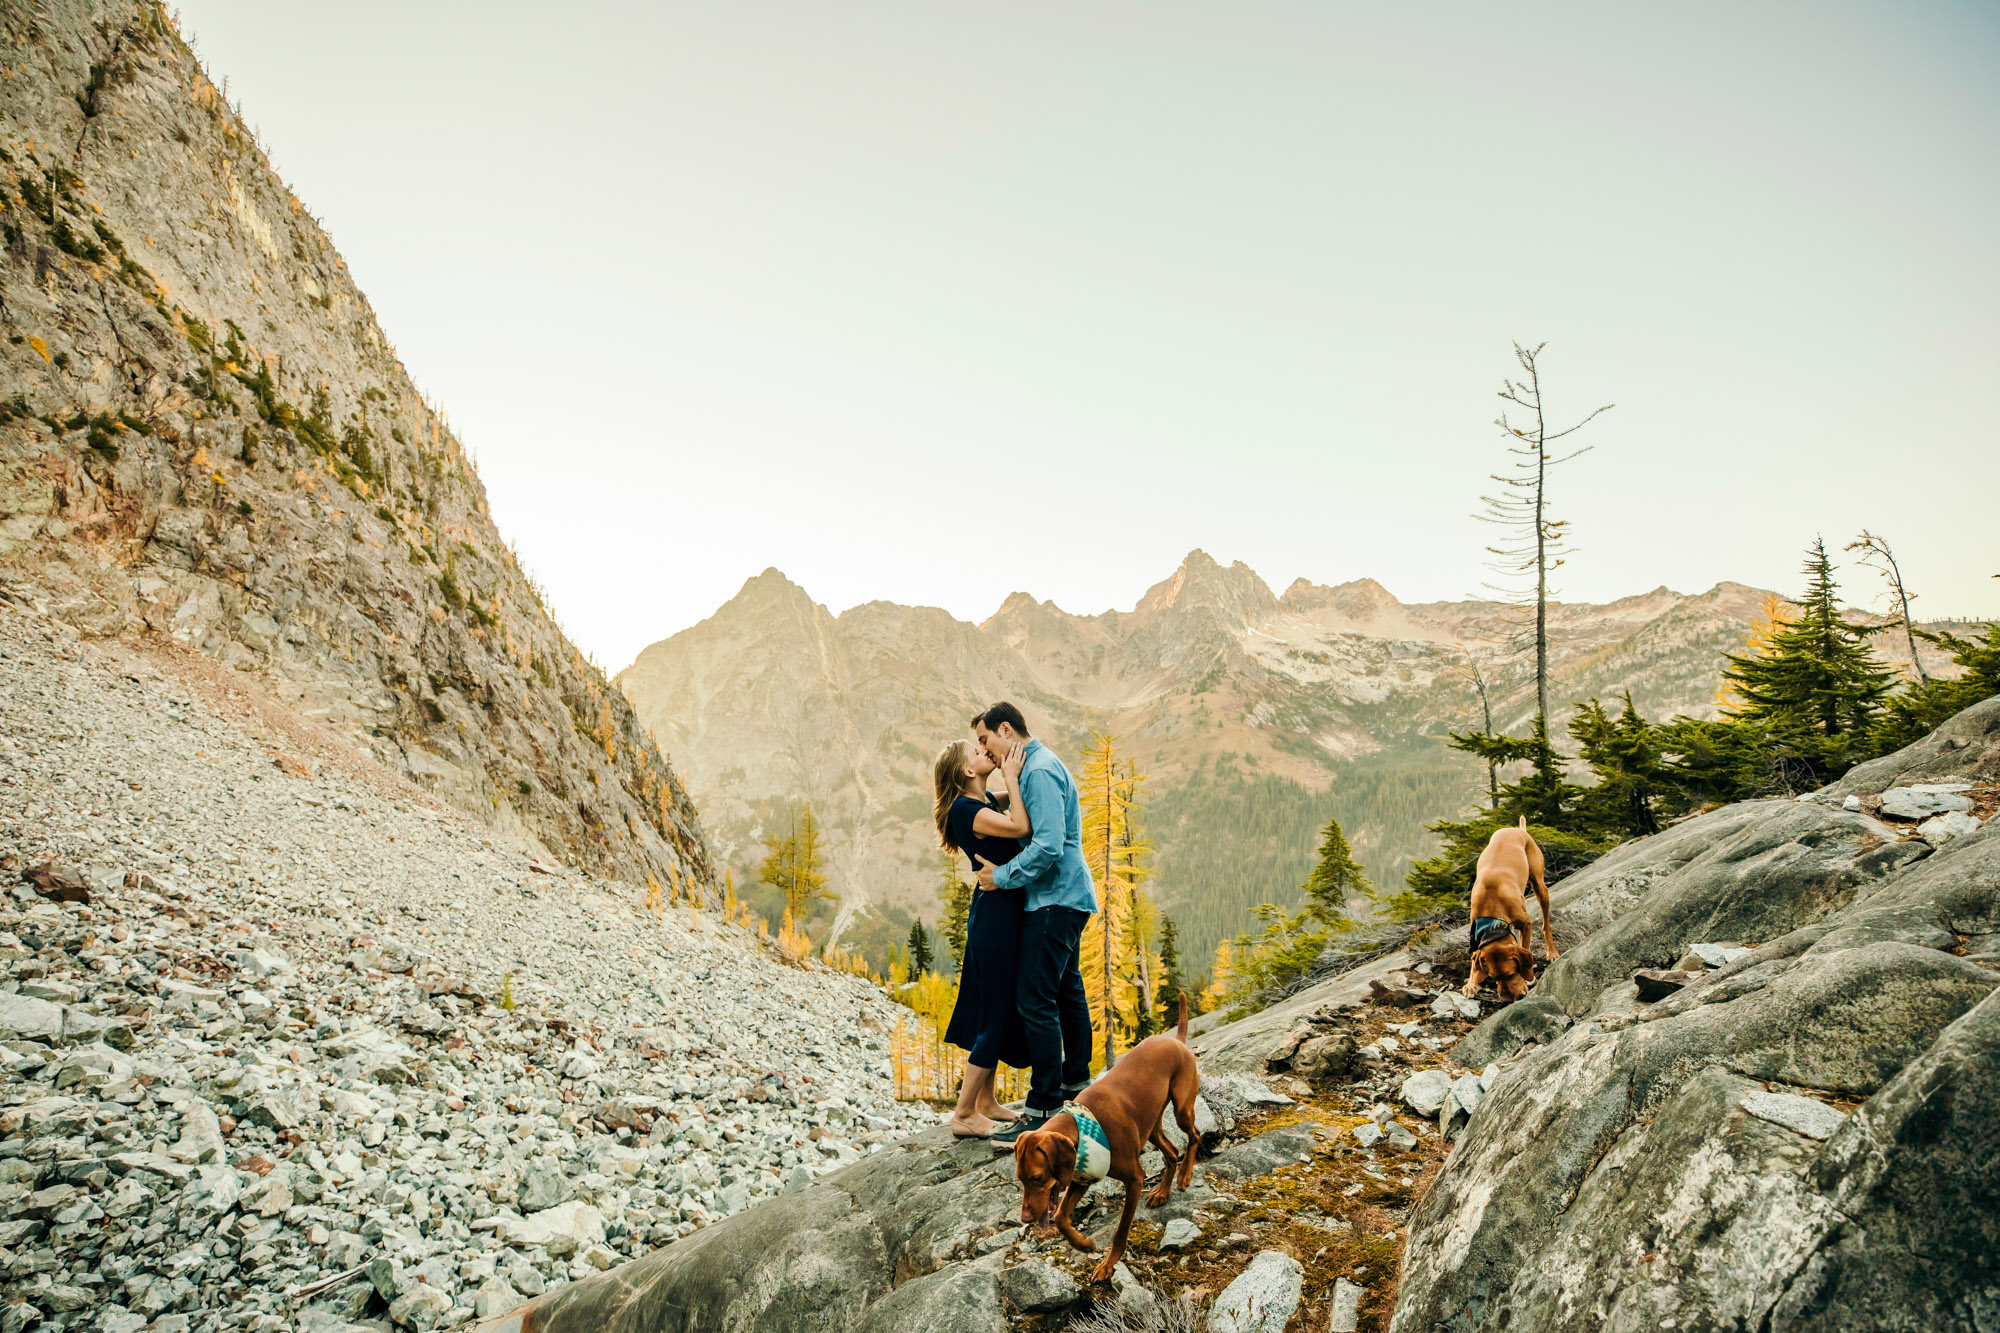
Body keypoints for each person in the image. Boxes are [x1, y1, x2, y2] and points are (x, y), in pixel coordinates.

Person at [968, 702, 1097, 1142]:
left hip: (1054, 899)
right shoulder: (1038, 765)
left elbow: (1047, 847)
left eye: (985, 739)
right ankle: (1076, 1081)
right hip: (1068, 896)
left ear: (1006, 730)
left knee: (1035, 999)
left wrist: (998, 878)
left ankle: (1043, 1105)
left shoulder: (1039, 770)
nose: (983, 748)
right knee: (1066, 988)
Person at [933, 736, 1033, 1137]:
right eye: (977, 753)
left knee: (993, 1006)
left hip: (997, 911)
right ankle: (963, 1113)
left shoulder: (981, 801)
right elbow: (1020, 826)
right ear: (966, 771)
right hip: (996, 918)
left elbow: (1012, 802)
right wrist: (1009, 774)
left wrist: (1013, 774)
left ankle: (985, 1101)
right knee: (996, 1013)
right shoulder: (966, 808)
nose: (984, 753)